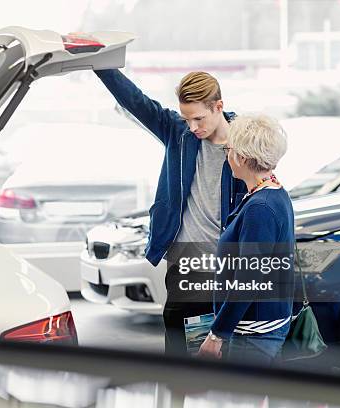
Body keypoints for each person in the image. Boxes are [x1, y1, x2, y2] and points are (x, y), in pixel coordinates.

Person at [93, 68, 247, 355]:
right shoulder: (178, 133)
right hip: (184, 262)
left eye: (199, 118)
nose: (192, 127)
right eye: (187, 119)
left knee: (222, 353)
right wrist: (101, 65)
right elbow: (135, 101)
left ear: (219, 107)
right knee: (178, 353)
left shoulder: (246, 142)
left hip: (226, 267)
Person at [197, 114, 294, 365]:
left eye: (228, 149)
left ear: (240, 157)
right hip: (263, 326)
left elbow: (248, 281)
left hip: (253, 334)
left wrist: (217, 335)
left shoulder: (260, 208)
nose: (227, 155)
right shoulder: (275, 192)